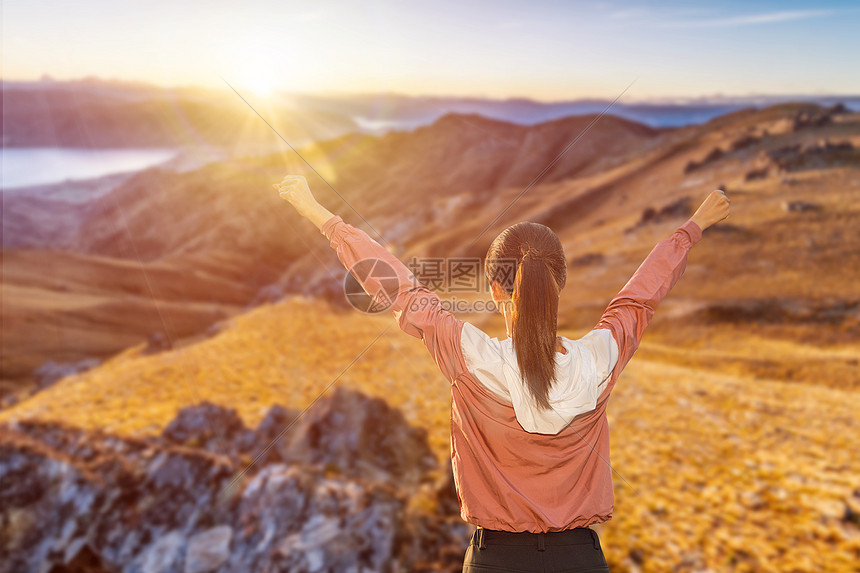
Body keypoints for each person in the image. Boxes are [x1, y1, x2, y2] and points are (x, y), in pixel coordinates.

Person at [275, 176, 731, 572]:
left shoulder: (469, 358)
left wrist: (320, 215)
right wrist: (690, 230)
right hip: (580, 561)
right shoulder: (599, 359)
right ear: (560, 287)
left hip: (496, 561)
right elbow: (637, 299)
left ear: (495, 289)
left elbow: (401, 289)